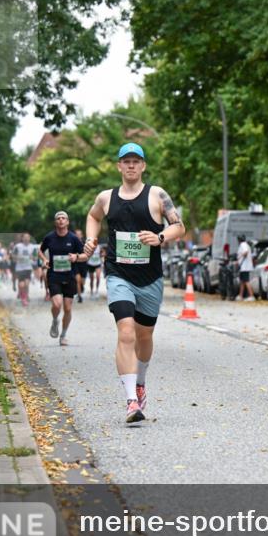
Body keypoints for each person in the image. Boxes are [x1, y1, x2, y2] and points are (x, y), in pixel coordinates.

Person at [85, 143, 184, 423]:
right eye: (126, 161)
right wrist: (91, 238)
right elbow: (93, 216)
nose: (131, 165)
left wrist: (160, 237)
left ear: (143, 166)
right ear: (119, 166)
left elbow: (179, 226)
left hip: (150, 278)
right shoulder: (106, 197)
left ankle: (140, 382)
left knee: (144, 336)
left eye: (135, 161)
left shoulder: (157, 195)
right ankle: (131, 401)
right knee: (126, 332)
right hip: (118, 274)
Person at [40, 212, 87, 346]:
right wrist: (44, 260)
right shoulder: (49, 237)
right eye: (58, 218)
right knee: (57, 304)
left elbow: (85, 255)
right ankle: (55, 320)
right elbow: (40, 250)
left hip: (69, 276)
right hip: (54, 275)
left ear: (67, 222)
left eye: (63, 218)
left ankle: (63, 335)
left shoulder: (73, 238)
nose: (61, 220)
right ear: (55, 222)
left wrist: (76, 257)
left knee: (67, 308)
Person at [12, 233, 34, 306]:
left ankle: (26, 295)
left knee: (27, 283)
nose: (26, 238)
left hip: (28, 267)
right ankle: (23, 297)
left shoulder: (32, 246)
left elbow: (35, 256)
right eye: (25, 237)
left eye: (28, 237)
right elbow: (13, 256)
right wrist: (18, 257)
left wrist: (32, 257)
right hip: (19, 268)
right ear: (22, 238)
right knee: (21, 285)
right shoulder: (18, 246)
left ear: (29, 238)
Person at [236, 234, 256, 301]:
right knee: (242, 281)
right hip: (244, 267)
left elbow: (245, 252)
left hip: (244, 267)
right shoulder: (246, 244)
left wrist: (240, 257)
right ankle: (240, 295)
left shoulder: (243, 244)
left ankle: (251, 296)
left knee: (246, 281)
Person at [73, 227, 88, 303]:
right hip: (75, 264)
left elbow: (88, 254)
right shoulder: (72, 243)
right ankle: (79, 296)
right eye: (76, 234)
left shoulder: (85, 243)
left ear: (82, 235)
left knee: (82, 282)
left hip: (84, 264)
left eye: (79, 234)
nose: (78, 236)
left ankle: (81, 287)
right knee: (78, 280)